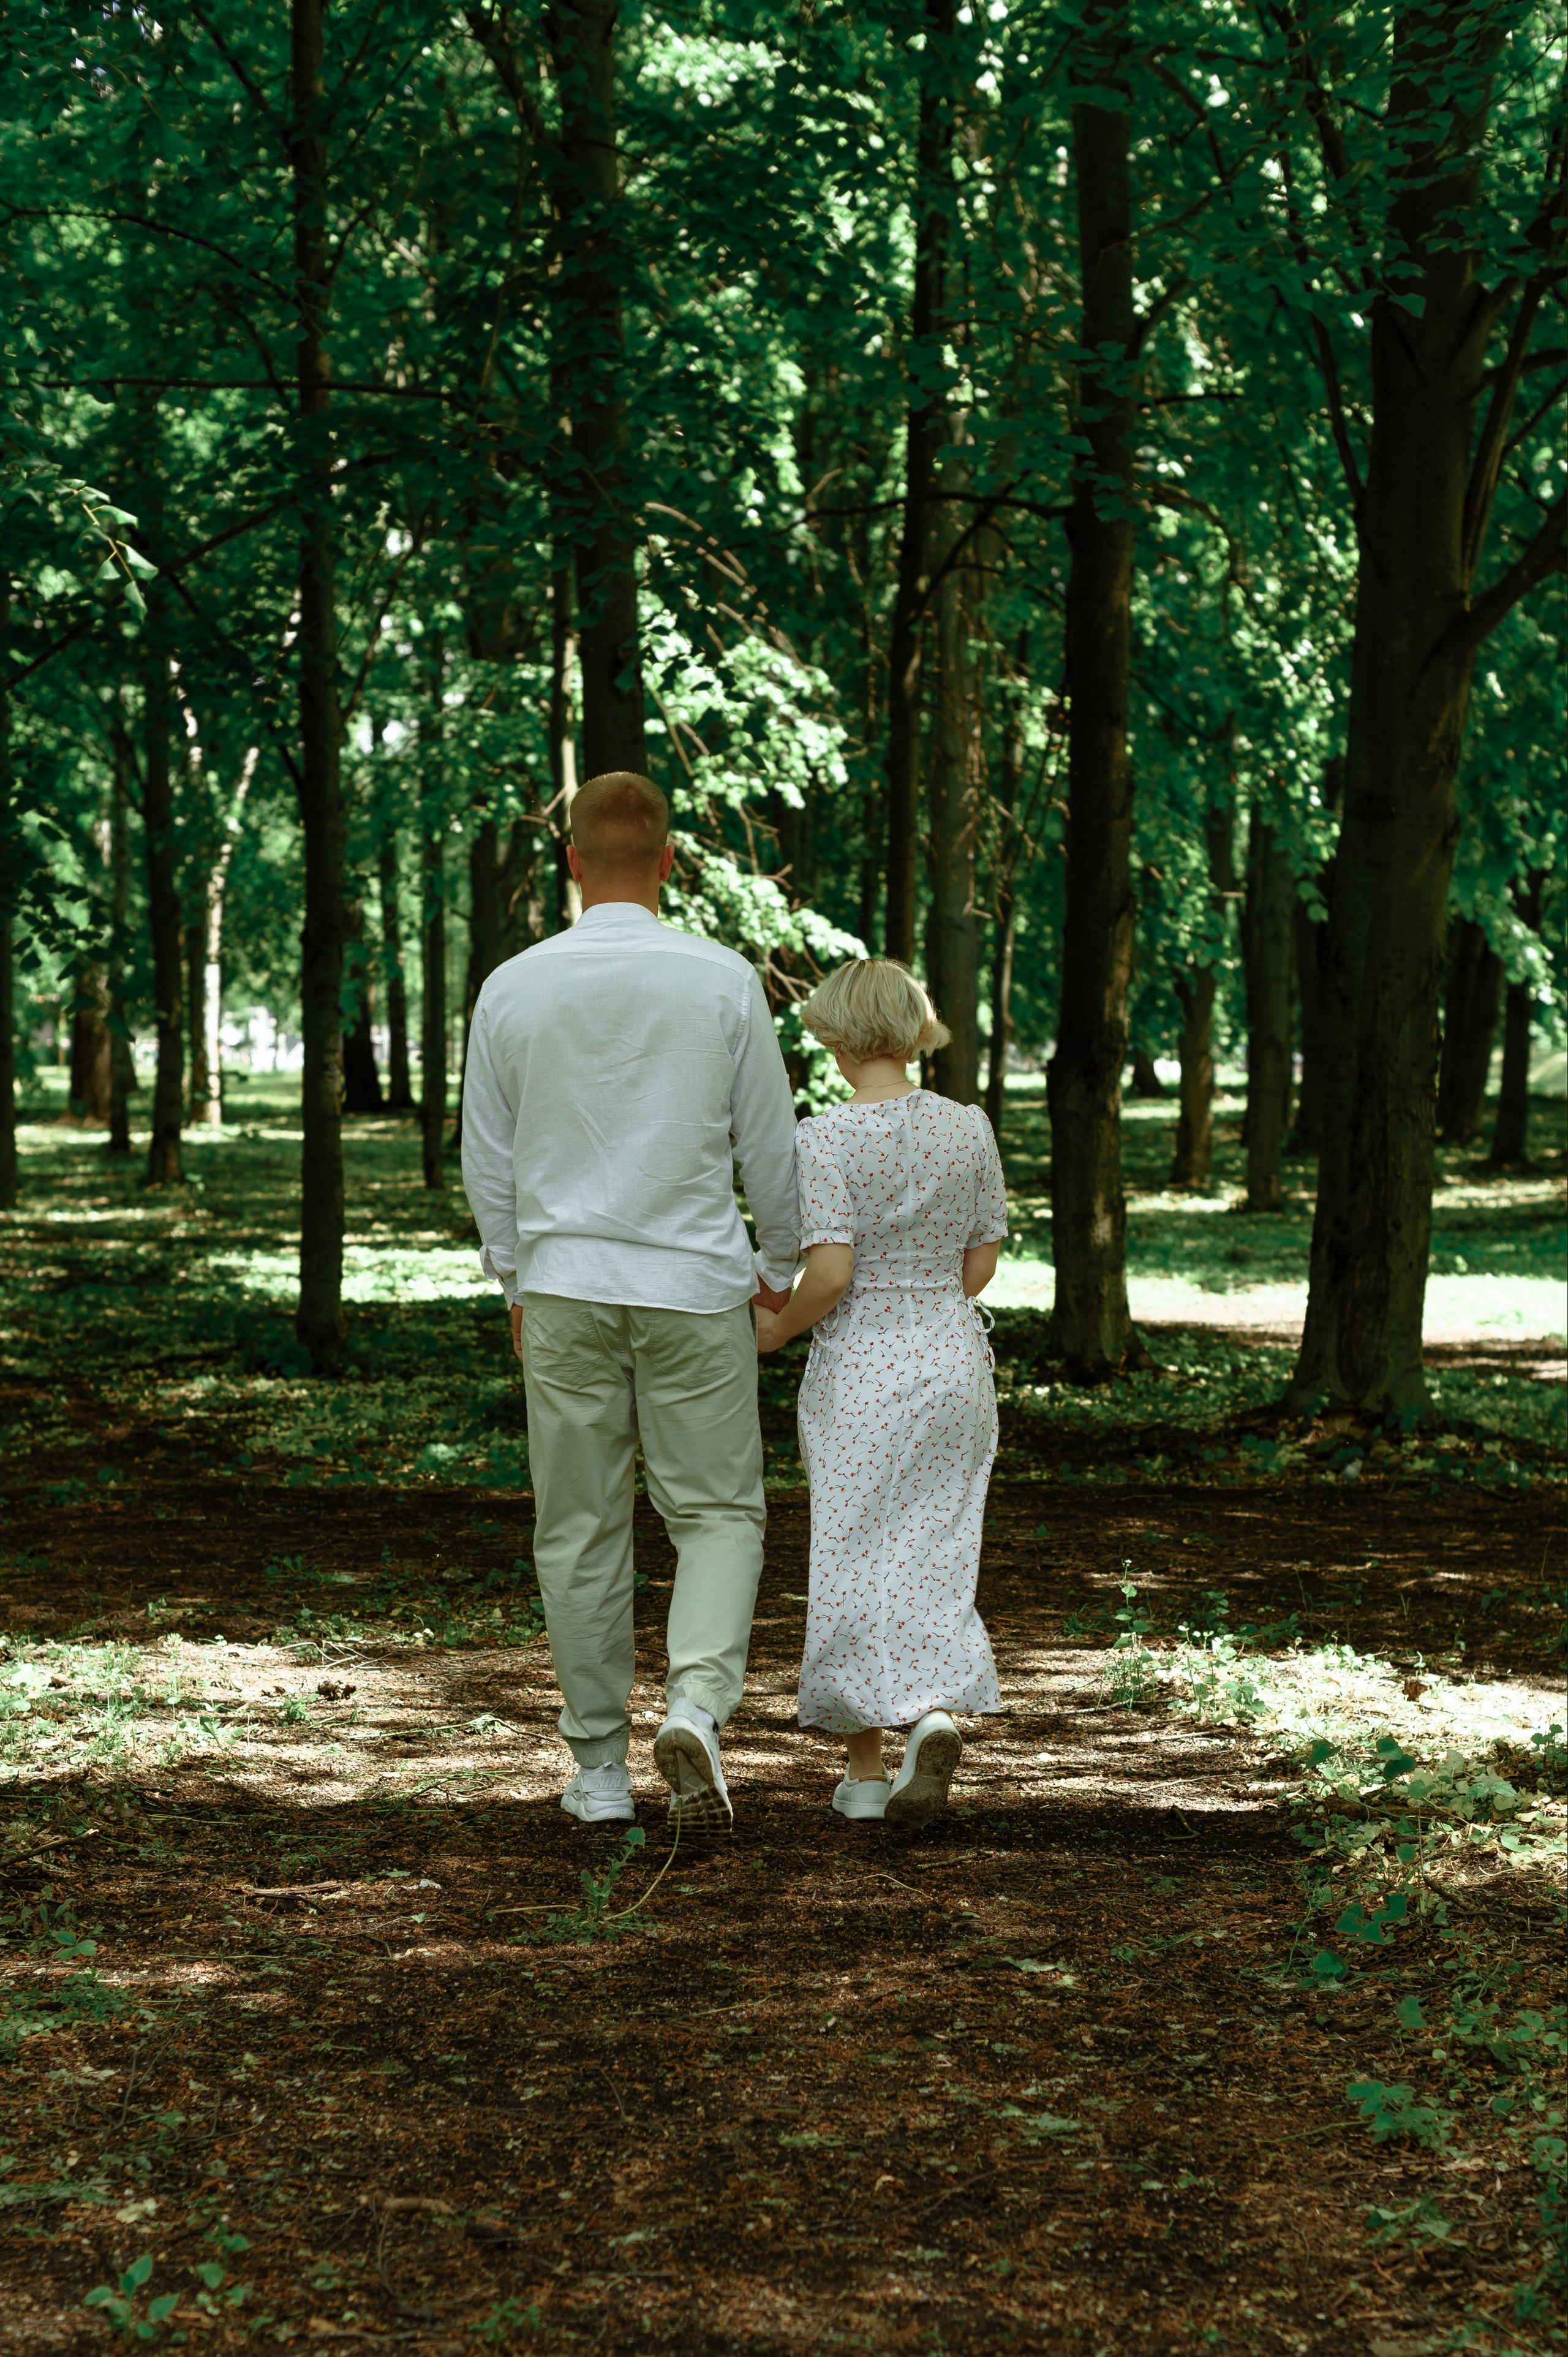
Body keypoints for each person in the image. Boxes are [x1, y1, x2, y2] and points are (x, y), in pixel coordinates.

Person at [460, 771, 799, 1834]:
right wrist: (779, 1264)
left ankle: (600, 1769)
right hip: (694, 1286)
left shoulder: (512, 986)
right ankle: (695, 1704)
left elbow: (488, 1157)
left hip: (566, 1282)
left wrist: (515, 1278)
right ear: (668, 861)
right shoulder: (722, 979)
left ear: (570, 862)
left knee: (578, 1526)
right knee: (719, 1514)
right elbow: (770, 1142)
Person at [755, 960, 1006, 1825]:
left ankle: (865, 1778)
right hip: (951, 1360)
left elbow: (830, 1273)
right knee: (937, 1547)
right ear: (912, 1029)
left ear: (835, 1036)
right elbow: (980, 1264)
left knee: (852, 1555)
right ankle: (930, 1715)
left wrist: (779, 1331)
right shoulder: (969, 1127)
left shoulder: (822, 1139)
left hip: (863, 1368)